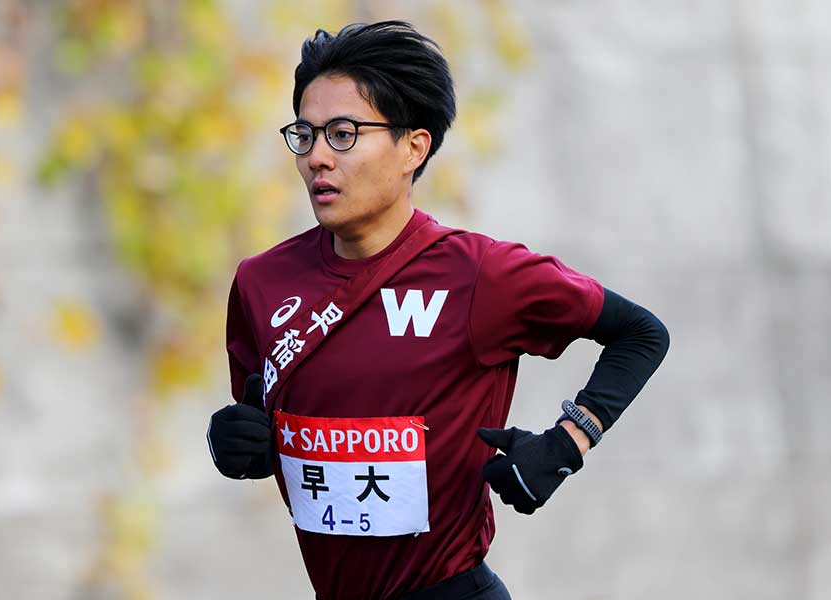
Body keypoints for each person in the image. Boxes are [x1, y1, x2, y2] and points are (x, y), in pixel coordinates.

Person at [207, 20, 669, 600]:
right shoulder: (262, 281)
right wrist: (238, 444)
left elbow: (641, 334)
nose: (318, 157)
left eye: (344, 133)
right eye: (306, 134)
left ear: (413, 147)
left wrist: (569, 439)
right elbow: (274, 421)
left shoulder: (479, 274)